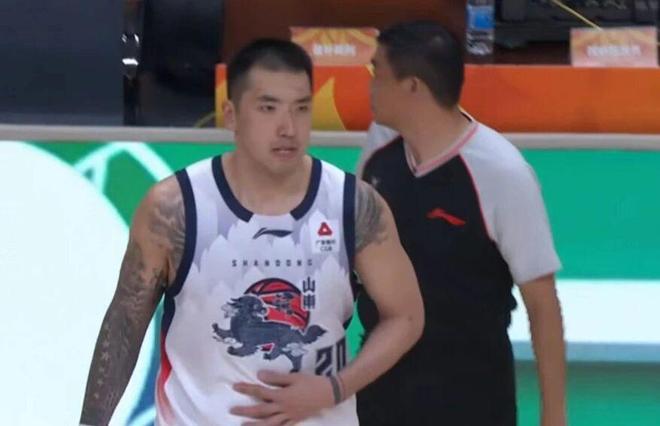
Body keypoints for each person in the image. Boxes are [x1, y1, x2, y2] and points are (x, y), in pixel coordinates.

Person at [79, 39, 424, 426]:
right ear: (231, 115)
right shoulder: (173, 208)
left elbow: (406, 317)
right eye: (268, 108)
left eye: (301, 108)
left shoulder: (355, 205)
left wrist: (335, 388)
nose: (288, 128)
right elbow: (125, 323)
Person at [356, 21, 566, 426]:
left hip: (471, 397)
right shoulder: (380, 146)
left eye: (376, 72)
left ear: (412, 86)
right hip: (380, 391)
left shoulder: (503, 173)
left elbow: (542, 304)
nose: (370, 85)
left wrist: (553, 417)